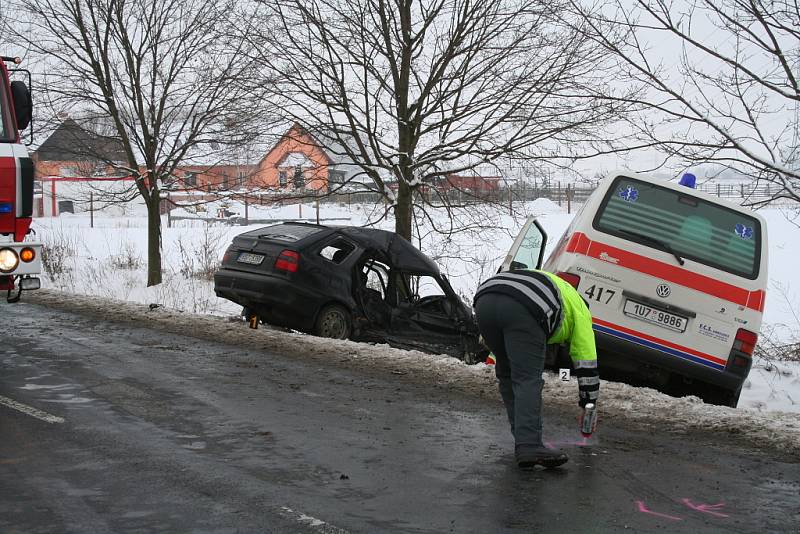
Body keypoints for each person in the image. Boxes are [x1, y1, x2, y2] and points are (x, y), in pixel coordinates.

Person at [473, 269, 599, 469]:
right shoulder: (582, 313)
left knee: (507, 375)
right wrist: (589, 405)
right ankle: (529, 445)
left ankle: (523, 440)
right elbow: (587, 364)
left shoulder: (558, 288)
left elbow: (507, 348)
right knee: (527, 378)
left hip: (485, 299)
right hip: (525, 306)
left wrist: (493, 358)